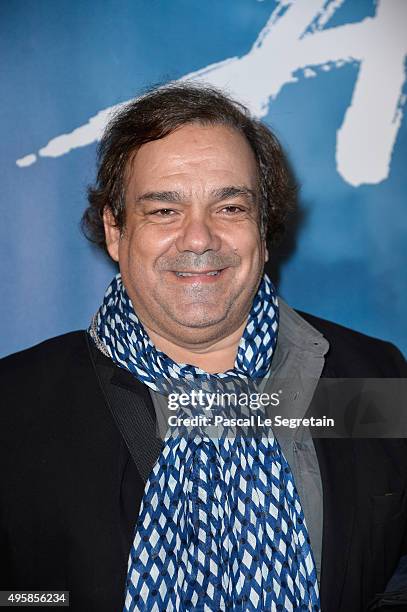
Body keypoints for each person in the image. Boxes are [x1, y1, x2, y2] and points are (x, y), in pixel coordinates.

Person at [0, 83, 406, 612]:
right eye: (164, 210)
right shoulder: (15, 405)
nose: (199, 238)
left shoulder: (374, 377)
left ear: (263, 230)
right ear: (116, 231)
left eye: (231, 206)